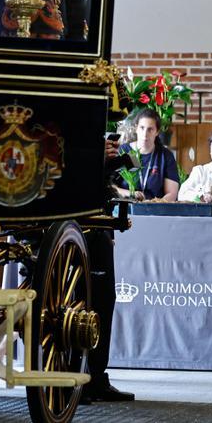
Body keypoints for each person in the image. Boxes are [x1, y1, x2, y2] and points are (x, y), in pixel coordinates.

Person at [84, 134, 135, 403]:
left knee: (104, 299)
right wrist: (93, 152)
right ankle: (73, 375)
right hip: (72, 217)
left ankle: (95, 375)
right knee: (80, 300)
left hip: (97, 219)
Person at [114, 108, 180, 201]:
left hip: (155, 210)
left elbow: (172, 193)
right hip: (125, 208)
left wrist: (154, 204)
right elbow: (111, 186)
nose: (145, 134)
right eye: (142, 128)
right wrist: (130, 194)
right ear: (136, 128)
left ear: (157, 132)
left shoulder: (165, 155)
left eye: (150, 129)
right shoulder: (123, 151)